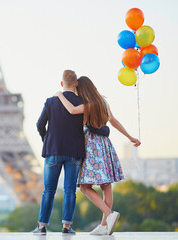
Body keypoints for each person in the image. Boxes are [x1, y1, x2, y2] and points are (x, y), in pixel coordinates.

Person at [55, 76, 141, 235]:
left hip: (91, 146)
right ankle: (103, 226)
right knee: (106, 186)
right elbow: (113, 121)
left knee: (85, 187)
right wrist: (130, 137)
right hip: (105, 145)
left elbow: (72, 110)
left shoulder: (88, 105)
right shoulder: (103, 102)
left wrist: (60, 95)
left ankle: (108, 214)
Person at [33, 70, 110, 235]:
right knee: (69, 190)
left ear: (62, 84)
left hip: (53, 150)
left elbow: (40, 124)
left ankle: (41, 227)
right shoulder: (83, 103)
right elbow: (92, 125)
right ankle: (66, 227)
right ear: (76, 84)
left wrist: (46, 139)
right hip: (74, 152)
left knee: (49, 190)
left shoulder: (50, 101)